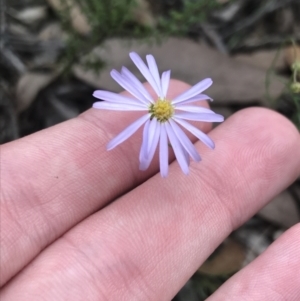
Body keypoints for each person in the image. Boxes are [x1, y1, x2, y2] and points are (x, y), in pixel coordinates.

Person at [1, 80, 300, 301]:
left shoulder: (167, 112)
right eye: (162, 104)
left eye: (165, 106)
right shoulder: (154, 110)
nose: (163, 105)